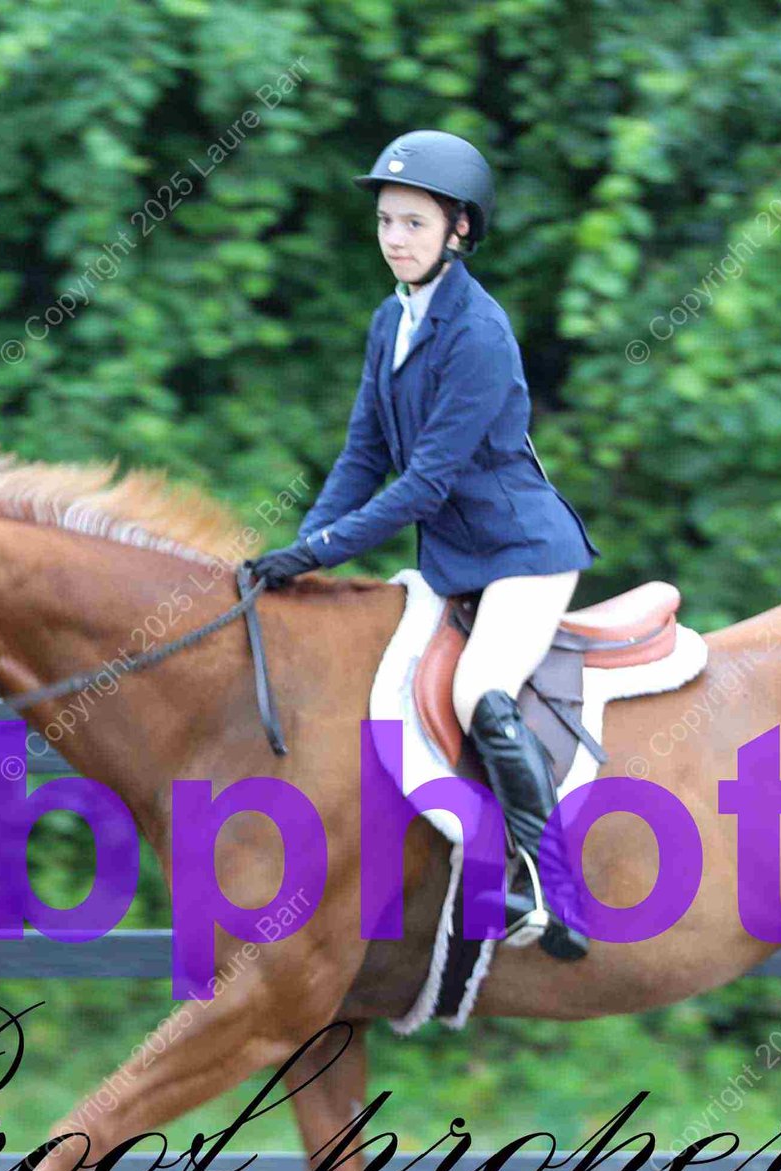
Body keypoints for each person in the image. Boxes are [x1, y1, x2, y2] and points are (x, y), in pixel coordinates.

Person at [246, 130, 600, 961]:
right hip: (452, 559)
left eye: (413, 223)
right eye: (385, 221)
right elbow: (362, 455)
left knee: (479, 690)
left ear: (459, 229)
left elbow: (423, 486)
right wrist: (300, 551)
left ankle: (554, 889)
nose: (395, 239)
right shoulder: (391, 321)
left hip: (522, 552)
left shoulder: (479, 333)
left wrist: (319, 554)